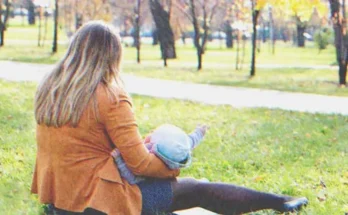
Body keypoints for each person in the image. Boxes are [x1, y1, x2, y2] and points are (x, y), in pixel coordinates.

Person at [31, 20, 308, 215]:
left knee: (175, 191)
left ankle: (278, 202)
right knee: (197, 188)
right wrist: (171, 168)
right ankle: (280, 202)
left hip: (62, 201)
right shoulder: (110, 96)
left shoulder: (50, 88)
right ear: (112, 56)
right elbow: (139, 164)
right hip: (100, 203)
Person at [111, 124, 207, 184]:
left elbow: (133, 179)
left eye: (152, 134)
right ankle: (202, 184)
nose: (150, 134)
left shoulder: (150, 165)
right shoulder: (179, 150)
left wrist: (119, 160)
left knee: (188, 183)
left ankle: (201, 186)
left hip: (154, 193)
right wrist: (199, 132)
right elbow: (190, 141)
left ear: (152, 147)